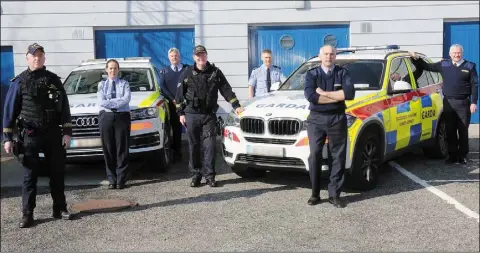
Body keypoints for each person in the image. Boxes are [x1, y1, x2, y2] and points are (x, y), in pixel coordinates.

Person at [2, 43, 73, 228]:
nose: (37, 58)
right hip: (30, 134)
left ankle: (60, 208)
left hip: (52, 132)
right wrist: (7, 138)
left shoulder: (54, 80)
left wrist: (67, 132)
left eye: (40, 55)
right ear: (27, 58)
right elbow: (9, 111)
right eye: (34, 56)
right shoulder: (19, 81)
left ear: (44, 58)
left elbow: (64, 108)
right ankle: (28, 214)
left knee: (57, 172)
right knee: (30, 175)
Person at [175, 45, 244, 187]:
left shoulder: (216, 72)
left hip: (208, 116)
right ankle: (195, 175)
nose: (201, 58)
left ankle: (210, 176)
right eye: (198, 55)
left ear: (207, 56)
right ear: (194, 57)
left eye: (203, 55)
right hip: (191, 115)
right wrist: (180, 113)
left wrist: (236, 105)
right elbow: (179, 95)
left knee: (210, 146)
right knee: (194, 146)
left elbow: (226, 89)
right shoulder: (187, 72)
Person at [303, 44, 355, 208]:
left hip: (337, 118)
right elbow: (311, 96)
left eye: (331, 54)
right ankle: (315, 193)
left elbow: (349, 94)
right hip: (316, 119)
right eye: (325, 54)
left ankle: (334, 195)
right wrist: (336, 97)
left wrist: (324, 93)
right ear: (320, 56)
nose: (328, 56)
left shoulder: (342, 72)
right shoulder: (312, 74)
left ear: (335, 56)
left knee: (337, 157)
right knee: (315, 154)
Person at [409, 44, 478, 165]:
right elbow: (427, 66)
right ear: (450, 54)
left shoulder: (470, 66)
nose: (457, 55)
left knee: (462, 130)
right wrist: (416, 58)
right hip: (448, 102)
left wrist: (473, 102)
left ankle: (462, 156)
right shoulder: (444, 65)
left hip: (463, 103)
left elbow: (475, 85)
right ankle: (452, 155)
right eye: (454, 53)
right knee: (450, 130)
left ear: (462, 53)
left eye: (459, 53)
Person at [97, 59, 132, 189]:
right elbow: (101, 101)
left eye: (115, 68)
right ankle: (112, 179)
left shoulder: (125, 84)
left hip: (121, 117)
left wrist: (112, 103)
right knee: (108, 148)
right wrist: (116, 103)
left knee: (122, 148)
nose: (113, 71)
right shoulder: (101, 85)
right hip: (106, 117)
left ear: (118, 70)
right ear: (106, 70)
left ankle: (121, 179)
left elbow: (126, 99)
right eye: (110, 68)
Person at [159, 48, 189, 161]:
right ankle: (177, 151)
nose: (174, 57)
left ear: (179, 56)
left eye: (176, 55)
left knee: (190, 126)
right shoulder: (164, 71)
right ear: (169, 58)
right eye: (172, 56)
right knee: (175, 127)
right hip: (172, 104)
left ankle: (193, 151)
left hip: (187, 103)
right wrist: (173, 99)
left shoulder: (187, 69)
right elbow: (163, 87)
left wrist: (184, 98)